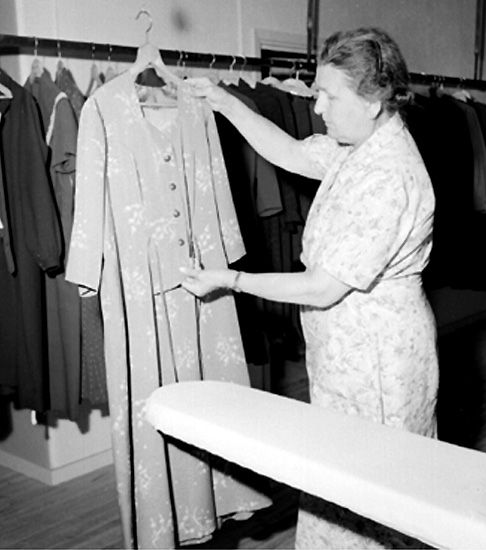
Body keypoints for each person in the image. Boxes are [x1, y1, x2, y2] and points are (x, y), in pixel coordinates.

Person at [182, 27, 439, 549]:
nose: (316, 106)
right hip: (347, 351)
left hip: (378, 360)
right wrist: (224, 102)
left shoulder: (389, 175)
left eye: (329, 96)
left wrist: (231, 279)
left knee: (376, 492)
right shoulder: (360, 147)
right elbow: (293, 153)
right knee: (340, 480)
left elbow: (322, 288)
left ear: (373, 102)